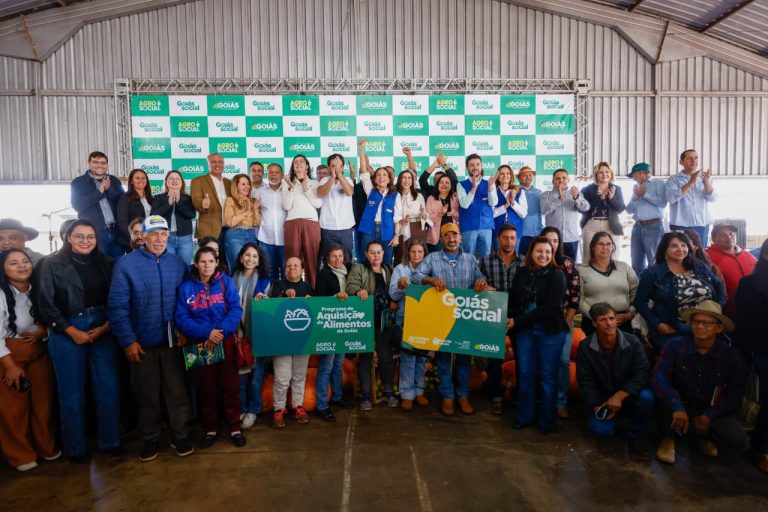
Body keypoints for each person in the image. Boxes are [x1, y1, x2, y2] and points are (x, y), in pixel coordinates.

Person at [108, 215, 193, 462]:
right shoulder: (126, 266)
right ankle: (150, 439)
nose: (159, 239)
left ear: (169, 236)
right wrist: (127, 340)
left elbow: (186, 302)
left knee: (177, 392)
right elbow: (117, 307)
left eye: (163, 234)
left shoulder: (177, 264)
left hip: (173, 342)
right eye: (153, 234)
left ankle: (180, 435)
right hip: (141, 343)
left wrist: (184, 331)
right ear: (142, 236)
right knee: (147, 395)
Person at [36, 220, 121, 463]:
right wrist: (71, 330)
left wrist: (105, 326)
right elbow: (46, 305)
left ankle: (110, 442)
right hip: (66, 328)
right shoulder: (50, 264)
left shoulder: (106, 263)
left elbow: (116, 298)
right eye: (79, 236)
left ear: (97, 239)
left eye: (90, 237)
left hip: (102, 326)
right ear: (68, 237)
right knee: (71, 391)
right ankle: (76, 447)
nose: (86, 241)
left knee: (108, 387)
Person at [652, 300, 749, 464]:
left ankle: (703, 437)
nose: (700, 327)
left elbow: (736, 393)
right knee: (660, 398)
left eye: (707, 323)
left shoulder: (731, 356)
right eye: (696, 322)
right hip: (680, 403)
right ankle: (668, 439)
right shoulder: (675, 346)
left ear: (719, 328)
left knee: (740, 441)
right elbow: (658, 377)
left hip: (710, 407)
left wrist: (709, 415)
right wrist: (676, 405)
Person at [411, 223, 490, 416]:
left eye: (455, 235)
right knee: (444, 357)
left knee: (464, 357)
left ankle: (462, 395)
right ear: (441, 239)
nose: (452, 239)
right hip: (442, 318)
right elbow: (415, 276)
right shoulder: (432, 258)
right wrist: (430, 280)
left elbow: (481, 280)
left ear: (461, 238)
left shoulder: (471, 260)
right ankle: (447, 396)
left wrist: (482, 283)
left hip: (464, 317)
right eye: (447, 236)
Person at [176, 247, 245, 448]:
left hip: (225, 341)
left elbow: (235, 309)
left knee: (231, 385)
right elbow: (182, 317)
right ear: (196, 264)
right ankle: (211, 427)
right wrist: (206, 332)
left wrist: (219, 331)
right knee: (207, 388)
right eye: (203, 262)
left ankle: (234, 427)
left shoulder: (226, 283)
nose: (207, 266)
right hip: (200, 343)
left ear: (216, 263)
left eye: (210, 261)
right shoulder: (186, 288)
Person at [0, 249, 59, 471]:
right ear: (3, 269)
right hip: (9, 354)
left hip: (38, 351)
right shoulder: (1, 294)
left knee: (44, 404)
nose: (22, 266)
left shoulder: (36, 289)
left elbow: (49, 319)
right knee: (14, 409)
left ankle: (46, 447)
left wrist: (43, 331)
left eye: (25, 261)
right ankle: (20, 455)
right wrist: (10, 366)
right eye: (13, 263)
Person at [507, 236, 568, 433]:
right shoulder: (522, 272)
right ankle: (525, 416)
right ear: (531, 254)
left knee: (548, 377)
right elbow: (513, 300)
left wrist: (517, 321)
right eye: (539, 251)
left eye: (548, 252)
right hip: (525, 333)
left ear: (552, 255)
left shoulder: (557, 275)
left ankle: (547, 421)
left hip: (549, 332)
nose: (543, 255)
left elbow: (549, 308)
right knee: (525, 375)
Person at [576, 303, 653, 459]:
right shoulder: (585, 347)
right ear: (594, 323)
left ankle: (634, 436)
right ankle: (613, 421)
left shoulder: (632, 342)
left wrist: (620, 396)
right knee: (603, 431)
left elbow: (642, 372)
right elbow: (585, 381)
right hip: (602, 400)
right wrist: (596, 406)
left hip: (627, 395)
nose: (609, 323)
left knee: (647, 397)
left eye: (612, 318)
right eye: (603, 320)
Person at [634, 232, 726, 353]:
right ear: (664, 250)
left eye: (684, 245)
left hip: (706, 326)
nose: (680, 249)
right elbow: (639, 302)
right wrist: (657, 324)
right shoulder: (652, 273)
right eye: (674, 246)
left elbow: (719, 286)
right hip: (673, 329)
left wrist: (717, 308)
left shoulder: (698, 265)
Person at [346, 241, 397, 410]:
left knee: (385, 356)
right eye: (372, 252)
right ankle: (366, 395)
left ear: (383, 254)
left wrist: (394, 301)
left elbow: (395, 291)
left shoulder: (389, 270)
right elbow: (350, 285)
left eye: (379, 252)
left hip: (384, 322)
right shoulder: (359, 269)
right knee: (366, 357)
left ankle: (389, 391)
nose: (376, 256)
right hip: (365, 321)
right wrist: (357, 291)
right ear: (366, 254)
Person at [480, 224, 524, 414]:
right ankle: (497, 396)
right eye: (505, 237)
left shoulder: (525, 262)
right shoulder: (486, 261)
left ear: (517, 239)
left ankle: (518, 395)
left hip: (518, 315)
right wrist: (482, 285)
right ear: (498, 239)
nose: (509, 241)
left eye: (512, 237)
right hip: (494, 314)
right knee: (494, 359)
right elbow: (479, 281)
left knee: (522, 358)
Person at [734, 239, 768, 472]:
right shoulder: (749, 284)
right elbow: (744, 324)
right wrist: (750, 354)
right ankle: (762, 447)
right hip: (761, 350)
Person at [268, 257, 314, 428]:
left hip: (303, 340)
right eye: (289, 265)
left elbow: (316, 311)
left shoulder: (308, 287)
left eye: (296, 265)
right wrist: (282, 295)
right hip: (281, 340)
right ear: (285, 269)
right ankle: (278, 409)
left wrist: (312, 302)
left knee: (300, 375)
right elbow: (269, 305)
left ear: (302, 269)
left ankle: (298, 405)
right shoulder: (278, 284)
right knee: (282, 377)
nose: (292, 268)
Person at [540, 226, 581, 419]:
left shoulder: (567, 263)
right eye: (547, 240)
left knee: (563, 361)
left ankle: (561, 401)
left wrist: (567, 321)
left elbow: (574, 296)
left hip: (564, 318)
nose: (551, 244)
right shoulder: (536, 262)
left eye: (555, 241)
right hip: (539, 320)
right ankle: (542, 399)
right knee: (541, 361)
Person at [231, 243, 271, 429]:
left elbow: (271, 309)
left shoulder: (265, 281)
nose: (250, 259)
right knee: (239, 377)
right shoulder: (231, 279)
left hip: (258, 335)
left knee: (256, 377)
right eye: (247, 255)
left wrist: (266, 300)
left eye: (254, 256)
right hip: (236, 335)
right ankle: (242, 407)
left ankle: (253, 410)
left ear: (258, 261)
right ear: (241, 258)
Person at [390, 238, 431, 411]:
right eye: (413, 251)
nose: (416, 255)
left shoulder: (430, 269)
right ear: (408, 253)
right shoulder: (400, 269)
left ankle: (419, 391)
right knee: (408, 357)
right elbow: (393, 295)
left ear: (425, 253)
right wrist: (400, 286)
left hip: (425, 319)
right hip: (404, 317)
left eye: (420, 252)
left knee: (421, 357)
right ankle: (407, 393)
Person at [314, 244, 353, 421]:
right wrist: (335, 297)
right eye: (333, 257)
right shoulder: (323, 275)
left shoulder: (348, 272)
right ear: (327, 259)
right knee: (326, 366)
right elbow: (319, 300)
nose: (337, 259)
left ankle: (337, 397)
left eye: (340, 256)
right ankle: (322, 404)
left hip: (344, 325)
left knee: (338, 364)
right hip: (328, 326)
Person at [579, 232, 638, 337]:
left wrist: (630, 314)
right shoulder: (582, 270)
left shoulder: (624, 267)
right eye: (600, 244)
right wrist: (599, 319)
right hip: (594, 323)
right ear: (593, 247)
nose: (605, 247)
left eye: (609, 244)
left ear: (613, 247)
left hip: (623, 320)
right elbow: (579, 300)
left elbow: (636, 293)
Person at [70, 151, 125, 258]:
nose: (100, 165)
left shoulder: (113, 180)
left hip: (116, 232)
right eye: (96, 162)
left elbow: (123, 201)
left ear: (107, 165)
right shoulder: (78, 182)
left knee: (118, 266)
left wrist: (109, 190)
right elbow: (78, 206)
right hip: (95, 234)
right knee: (100, 268)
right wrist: (99, 191)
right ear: (88, 163)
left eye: (103, 163)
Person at [282, 155, 322, 287]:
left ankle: (313, 291)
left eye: (301, 162)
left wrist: (307, 189)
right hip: (292, 223)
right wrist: (291, 188)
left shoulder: (315, 183)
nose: (298, 164)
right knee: (293, 260)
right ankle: (292, 291)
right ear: (293, 167)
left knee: (312, 260)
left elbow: (318, 204)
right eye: (295, 162)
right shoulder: (287, 183)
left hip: (310, 223)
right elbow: (286, 206)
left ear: (307, 166)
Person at [357, 155, 402, 266]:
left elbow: (398, 218)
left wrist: (396, 235)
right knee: (365, 259)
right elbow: (364, 171)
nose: (381, 177)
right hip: (369, 229)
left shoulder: (395, 195)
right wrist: (361, 150)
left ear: (389, 179)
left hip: (388, 230)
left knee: (386, 261)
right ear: (375, 180)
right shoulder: (370, 190)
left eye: (384, 175)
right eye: (378, 175)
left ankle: (385, 282)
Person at [625, 162, 667, 276]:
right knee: (636, 262)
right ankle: (638, 291)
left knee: (654, 261)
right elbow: (628, 210)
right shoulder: (637, 188)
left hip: (653, 226)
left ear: (641, 173)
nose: (633, 179)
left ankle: (656, 291)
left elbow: (663, 203)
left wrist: (645, 194)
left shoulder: (658, 183)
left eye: (633, 176)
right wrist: (636, 198)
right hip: (637, 226)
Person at [705, 223, 757, 314]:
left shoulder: (748, 255)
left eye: (731, 234)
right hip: (727, 311)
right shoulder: (707, 257)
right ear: (713, 239)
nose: (729, 237)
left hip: (753, 306)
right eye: (722, 235)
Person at [666, 149, 716, 244]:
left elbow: (712, 198)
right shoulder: (673, 179)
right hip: (680, 225)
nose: (694, 161)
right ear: (681, 162)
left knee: (700, 255)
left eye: (696, 158)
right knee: (681, 255)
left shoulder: (705, 177)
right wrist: (691, 182)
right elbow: (671, 198)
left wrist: (706, 182)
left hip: (702, 225)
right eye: (689, 158)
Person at [580, 162, 626, 264]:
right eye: (601, 172)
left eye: (607, 172)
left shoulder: (616, 189)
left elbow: (621, 208)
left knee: (613, 256)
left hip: (611, 225)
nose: (604, 174)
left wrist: (611, 198)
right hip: (591, 225)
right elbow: (582, 209)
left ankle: (612, 279)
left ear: (611, 174)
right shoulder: (587, 189)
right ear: (596, 174)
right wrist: (600, 198)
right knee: (588, 257)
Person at [540, 168, 590, 261]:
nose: (561, 180)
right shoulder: (546, 195)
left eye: (564, 178)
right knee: (552, 267)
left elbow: (586, 208)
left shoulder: (575, 193)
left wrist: (577, 198)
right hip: (552, 240)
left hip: (571, 238)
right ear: (552, 181)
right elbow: (544, 211)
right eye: (558, 178)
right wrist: (559, 199)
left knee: (570, 269)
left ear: (568, 180)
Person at [457, 153, 498, 258]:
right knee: (467, 257)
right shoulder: (461, 185)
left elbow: (493, 203)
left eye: (477, 164)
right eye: (472, 165)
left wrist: (490, 188)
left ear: (481, 166)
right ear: (467, 168)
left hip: (486, 226)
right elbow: (464, 205)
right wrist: (473, 189)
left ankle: (484, 275)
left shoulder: (490, 182)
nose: (475, 167)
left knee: (486, 257)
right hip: (468, 227)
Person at [317, 154, 355, 264]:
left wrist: (339, 175)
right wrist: (333, 177)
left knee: (347, 259)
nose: (336, 168)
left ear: (343, 167)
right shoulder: (324, 180)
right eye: (333, 166)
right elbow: (321, 193)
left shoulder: (348, 179)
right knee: (328, 260)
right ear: (329, 168)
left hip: (346, 228)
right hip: (327, 229)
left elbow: (349, 192)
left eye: (339, 166)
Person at [150, 170, 195, 264]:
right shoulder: (158, 198)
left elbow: (191, 215)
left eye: (177, 179)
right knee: (167, 267)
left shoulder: (187, 198)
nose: (174, 181)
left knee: (185, 268)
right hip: (165, 239)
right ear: (166, 182)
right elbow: (153, 217)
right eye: (171, 179)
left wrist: (178, 202)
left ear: (182, 183)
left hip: (185, 239)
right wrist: (168, 203)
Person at [191, 152, 232, 244]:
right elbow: (196, 201)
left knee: (225, 259)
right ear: (208, 164)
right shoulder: (197, 181)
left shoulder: (229, 183)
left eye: (220, 162)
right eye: (213, 162)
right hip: (208, 231)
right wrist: (203, 205)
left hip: (229, 231)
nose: (217, 164)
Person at [255, 163, 287, 281]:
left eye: (276, 172)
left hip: (285, 239)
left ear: (282, 175)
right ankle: (270, 297)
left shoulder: (288, 190)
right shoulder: (260, 191)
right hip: (265, 239)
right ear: (266, 174)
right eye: (270, 172)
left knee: (286, 271)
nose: (273, 175)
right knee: (268, 272)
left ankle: (285, 298)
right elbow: (256, 213)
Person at [223, 174, 261, 271]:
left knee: (251, 268)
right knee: (236, 268)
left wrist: (255, 209)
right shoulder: (230, 200)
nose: (247, 186)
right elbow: (230, 221)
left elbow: (257, 222)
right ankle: (236, 287)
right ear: (236, 186)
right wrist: (246, 213)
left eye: (248, 184)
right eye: (243, 184)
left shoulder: (252, 201)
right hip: (235, 235)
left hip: (251, 235)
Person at [394, 168, 429, 262]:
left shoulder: (419, 196)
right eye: (404, 178)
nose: (407, 180)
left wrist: (423, 214)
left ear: (412, 181)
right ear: (400, 180)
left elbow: (425, 216)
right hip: (401, 229)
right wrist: (402, 220)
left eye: (409, 178)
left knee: (418, 256)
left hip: (416, 228)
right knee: (402, 255)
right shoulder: (394, 196)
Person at [492, 165, 527, 253]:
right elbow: (491, 214)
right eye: (502, 174)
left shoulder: (519, 191)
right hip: (497, 231)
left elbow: (523, 214)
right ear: (498, 177)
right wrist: (504, 206)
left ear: (511, 176)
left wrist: (513, 203)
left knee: (515, 259)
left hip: (515, 232)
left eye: (508, 173)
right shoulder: (492, 192)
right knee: (498, 259)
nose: (505, 176)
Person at [117, 168, 153, 252]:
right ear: (132, 181)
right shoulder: (125, 198)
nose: (141, 180)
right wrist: (135, 238)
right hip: (133, 242)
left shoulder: (150, 198)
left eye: (143, 178)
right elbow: (122, 222)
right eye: (137, 178)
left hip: (148, 240)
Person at [424, 173, 459, 252]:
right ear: (437, 184)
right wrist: (440, 214)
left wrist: (455, 213)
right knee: (437, 262)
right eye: (441, 182)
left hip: (454, 236)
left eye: (447, 182)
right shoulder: (431, 198)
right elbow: (427, 217)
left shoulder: (455, 197)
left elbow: (463, 215)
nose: (444, 184)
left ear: (451, 185)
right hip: (437, 237)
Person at [517, 166, 543, 256]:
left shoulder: (539, 193)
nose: (528, 177)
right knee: (522, 260)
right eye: (525, 175)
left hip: (538, 233)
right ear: (519, 178)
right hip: (521, 233)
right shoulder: (515, 192)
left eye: (530, 174)